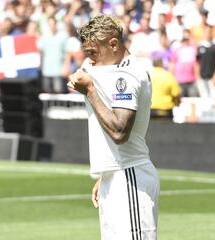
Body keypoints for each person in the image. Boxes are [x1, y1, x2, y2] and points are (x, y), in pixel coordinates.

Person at [67, 14, 160, 240]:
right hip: (116, 175)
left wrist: (90, 91)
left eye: (93, 54)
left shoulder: (126, 76)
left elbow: (120, 132)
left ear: (113, 44)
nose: (91, 62)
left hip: (130, 177)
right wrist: (106, 173)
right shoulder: (113, 69)